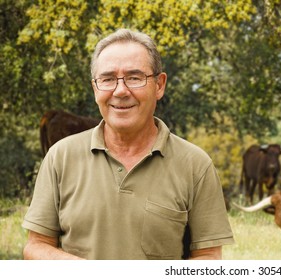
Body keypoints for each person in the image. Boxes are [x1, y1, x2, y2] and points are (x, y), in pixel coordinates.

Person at [22, 29, 234, 260]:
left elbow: (209, 258)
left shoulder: (196, 165)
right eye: (108, 79)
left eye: (134, 77)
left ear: (159, 85)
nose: (120, 91)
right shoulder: (60, 157)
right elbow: (35, 247)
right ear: (95, 88)